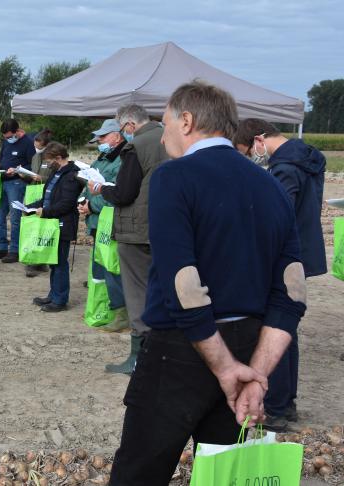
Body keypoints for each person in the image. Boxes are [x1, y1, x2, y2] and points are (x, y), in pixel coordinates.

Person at [109, 81, 307, 485]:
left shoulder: (174, 178)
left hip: (181, 348)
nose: (161, 137)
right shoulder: (271, 186)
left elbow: (184, 284)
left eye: (164, 124)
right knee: (223, 473)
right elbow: (291, 292)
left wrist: (224, 368)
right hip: (251, 346)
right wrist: (255, 374)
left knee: (140, 470)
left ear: (187, 120)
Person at [234, 118, 327, 431]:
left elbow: (277, 214)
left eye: (249, 150)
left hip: (284, 257)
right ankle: (286, 403)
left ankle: (277, 407)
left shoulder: (284, 167)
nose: (252, 157)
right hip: (303, 254)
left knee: (275, 327)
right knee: (288, 328)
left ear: (259, 140)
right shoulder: (308, 158)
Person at [87, 104, 169, 374]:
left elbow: (124, 193)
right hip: (164, 224)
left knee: (136, 292)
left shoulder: (136, 147)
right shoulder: (168, 137)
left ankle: (138, 357)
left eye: (123, 129)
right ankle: (161, 353)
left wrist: (101, 190)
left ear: (130, 125)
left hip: (137, 229)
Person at [79, 119, 128, 331]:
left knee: (112, 268)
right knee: (100, 268)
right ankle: (104, 308)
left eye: (103, 136)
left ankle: (121, 313)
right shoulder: (103, 158)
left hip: (109, 221)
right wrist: (82, 202)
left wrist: (92, 206)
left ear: (117, 136)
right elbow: (89, 182)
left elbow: (115, 192)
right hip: (97, 221)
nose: (99, 140)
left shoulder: (123, 160)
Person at [27, 142, 83, 312]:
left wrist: (45, 211)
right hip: (51, 222)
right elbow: (47, 198)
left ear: (58, 158)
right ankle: (53, 295)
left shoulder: (72, 176)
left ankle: (60, 300)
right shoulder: (55, 173)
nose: (47, 164)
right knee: (53, 261)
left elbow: (66, 204)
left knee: (59, 262)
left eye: (49, 160)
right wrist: (30, 207)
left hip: (62, 225)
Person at [0, 119, 36, 263]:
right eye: (5, 137)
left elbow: (31, 164)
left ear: (17, 132)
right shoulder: (5, 143)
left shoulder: (28, 143)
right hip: (2, 181)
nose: (7, 139)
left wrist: (16, 170)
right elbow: (3, 158)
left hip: (17, 183)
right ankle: (2, 247)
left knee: (15, 218)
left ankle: (14, 250)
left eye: (9, 137)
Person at [18, 129, 55, 277]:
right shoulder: (35, 157)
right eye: (35, 145)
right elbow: (34, 175)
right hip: (32, 194)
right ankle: (32, 262)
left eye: (38, 146)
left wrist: (43, 179)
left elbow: (55, 178)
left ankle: (41, 261)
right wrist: (24, 175)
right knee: (31, 226)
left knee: (42, 228)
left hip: (45, 196)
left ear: (46, 145)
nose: (36, 148)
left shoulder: (52, 159)